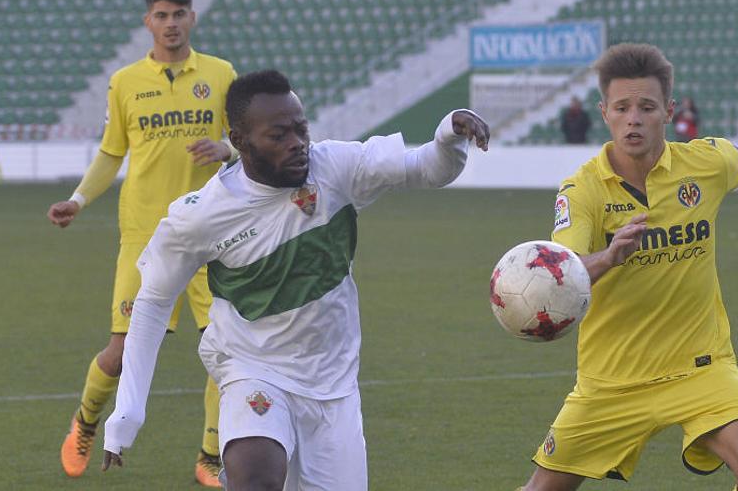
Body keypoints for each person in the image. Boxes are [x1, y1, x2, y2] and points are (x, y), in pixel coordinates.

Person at [100, 69, 490, 490]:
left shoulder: (334, 167)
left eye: (300, 129)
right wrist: (128, 410)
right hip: (252, 368)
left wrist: (450, 132)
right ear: (240, 140)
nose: (297, 143)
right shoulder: (201, 216)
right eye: (278, 135)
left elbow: (426, 168)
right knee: (256, 477)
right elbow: (154, 302)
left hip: (333, 386)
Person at [521, 43, 738, 491]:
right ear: (605, 112)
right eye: (622, 107)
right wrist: (609, 257)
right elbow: (564, 271)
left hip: (701, 368)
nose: (634, 117)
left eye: (647, 107)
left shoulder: (704, 164)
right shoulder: (581, 191)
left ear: (668, 111)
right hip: (612, 381)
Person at [46, 0, 237, 486]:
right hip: (146, 237)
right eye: (161, 15)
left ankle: (210, 456)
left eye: (179, 15)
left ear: (192, 18)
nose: (170, 24)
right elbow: (112, 154)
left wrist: (227, 148)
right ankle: (86, 422)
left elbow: (246, 144)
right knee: (121, 348)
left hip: (210, 236)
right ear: (147, 21)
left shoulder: (220, 75)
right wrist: (78, 200)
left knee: (230, 348)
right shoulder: (125, 82)